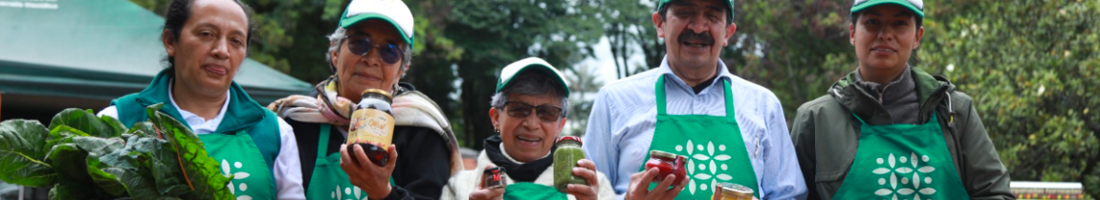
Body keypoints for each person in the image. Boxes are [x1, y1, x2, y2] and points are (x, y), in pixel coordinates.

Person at [582, 0, 807, 199]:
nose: (698, 27)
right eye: (685, 12)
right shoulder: (615, 100)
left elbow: (789, 195)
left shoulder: (764, 105)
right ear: (659, 24)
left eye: (712, 16)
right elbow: (586, 194)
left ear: (728, 32)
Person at [789, 0, 1013, 199]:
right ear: (852, 33)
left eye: (899, 24)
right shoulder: (816, 119)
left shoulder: (955, 111)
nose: (885, 34)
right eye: (873, 22)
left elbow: (994, 193)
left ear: (917, 36)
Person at [97, 0, 305, 199]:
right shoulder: (117, 120)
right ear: (170, 41)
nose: (222, 51)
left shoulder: (275, 132)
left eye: (236, 41)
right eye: (206, 34)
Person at [265, 0, 462, 199]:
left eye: (389, 50)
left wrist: (383, 193)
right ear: (335, 52)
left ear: (402, 69)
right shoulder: (293, 122)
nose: (372, 59)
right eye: (360, 43)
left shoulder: (422, 131)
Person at [440, 57, 615, 200]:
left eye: (547, 113)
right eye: (518, 109)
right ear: (496, 118)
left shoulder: (593, 189)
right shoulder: (460, 188)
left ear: (560, 126)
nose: (531, 124)